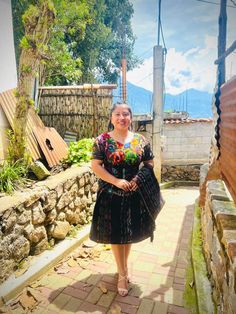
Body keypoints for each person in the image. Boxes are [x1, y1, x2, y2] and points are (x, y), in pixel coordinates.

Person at [90, 103, 156, 297]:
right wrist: (116, 181)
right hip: (111, 195)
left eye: (125, 114)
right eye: (117, 114)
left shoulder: (140, 140)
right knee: (116, 235)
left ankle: (123, 267)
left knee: (128, 232)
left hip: (135, 194)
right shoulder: (102, 141)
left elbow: (149, 162)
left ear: (130, 118)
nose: (122, 117)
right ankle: (122, 273)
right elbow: (96, 166)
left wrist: (137, 179)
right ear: (111, 118)